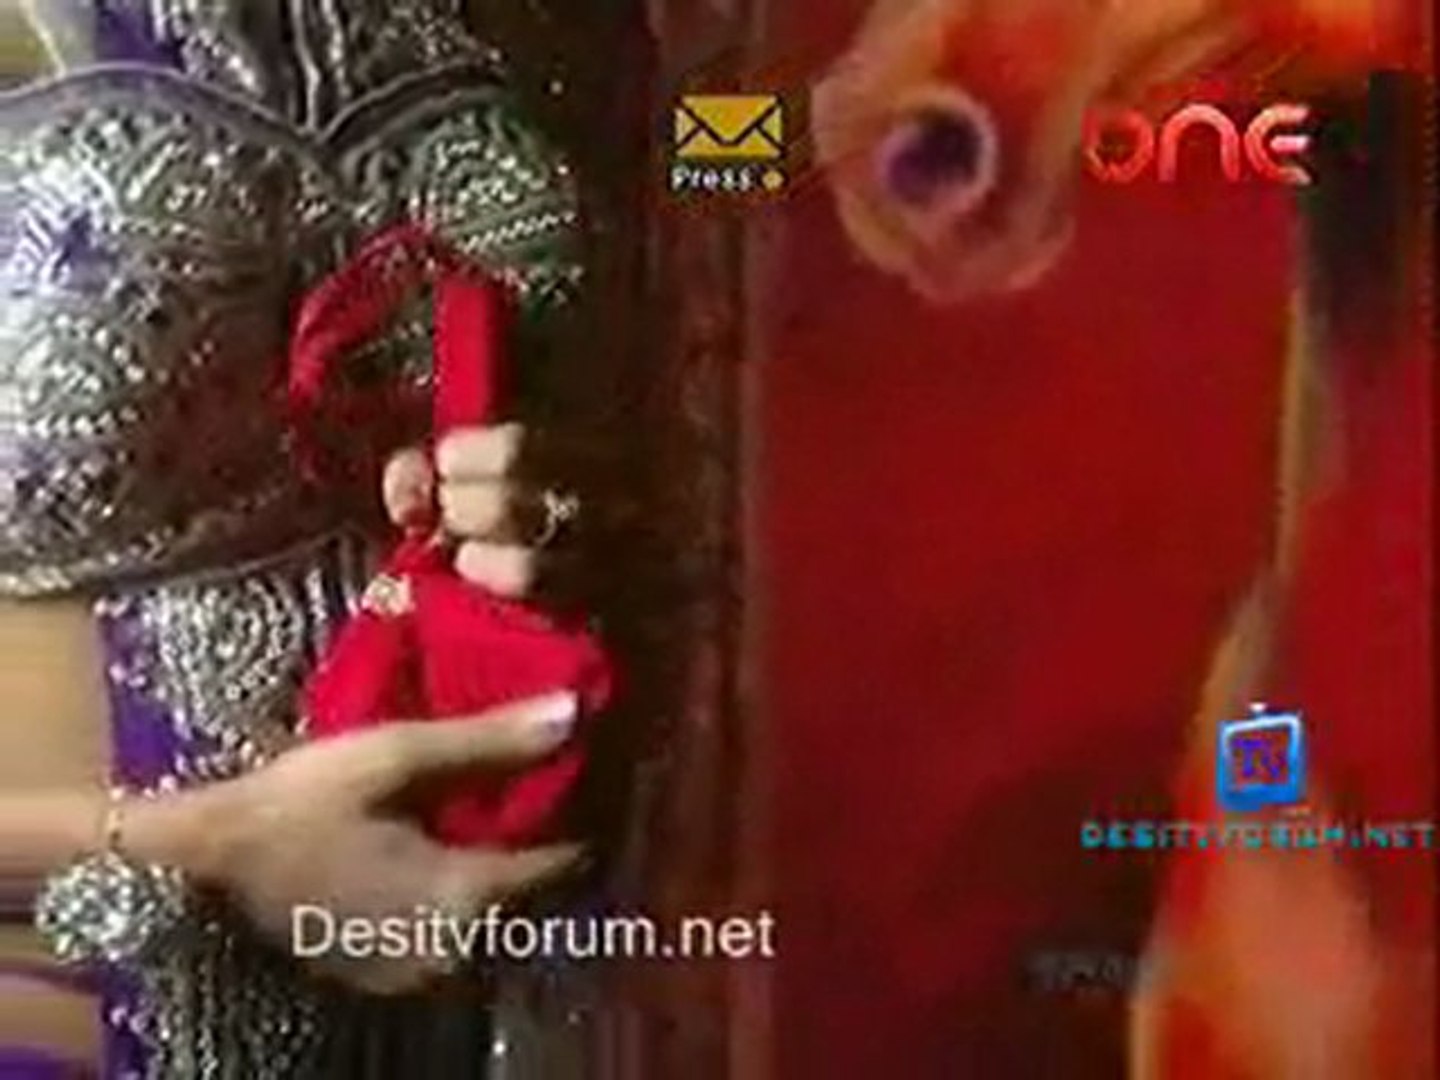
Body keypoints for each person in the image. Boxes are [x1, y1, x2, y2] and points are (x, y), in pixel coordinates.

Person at [1, 1, 606, 1075]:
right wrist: (218, 839)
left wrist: (607, 438)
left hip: (720, 631)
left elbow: (751, 137)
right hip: (227, 949)